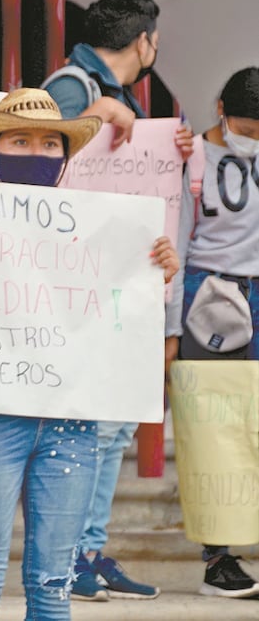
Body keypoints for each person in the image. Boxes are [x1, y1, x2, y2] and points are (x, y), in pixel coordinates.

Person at [0, 88, 179, 620]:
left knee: (53, 582)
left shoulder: (98, 229)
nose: (37, 152)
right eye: (21, 140)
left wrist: (154, 268)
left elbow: (115, 307)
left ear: (65, 158)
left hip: (72, 422)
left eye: (50, 144)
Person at [42, 0, 191, 602]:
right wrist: (93, 116)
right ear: (144, 41)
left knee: (114, 430)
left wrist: (173, 154)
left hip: (122, 288)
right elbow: (35, 156)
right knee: (93, 432)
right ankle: (69, 555)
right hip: (82, 292)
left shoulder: (119, 96)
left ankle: (88, 551)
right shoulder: (73, 87)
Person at [167, 66, 259, 598]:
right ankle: (219, 559)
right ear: (221, 109)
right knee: (214, 427)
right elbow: (176, 244)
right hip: (210, 297)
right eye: (247, 128)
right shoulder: (192, 158)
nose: (253, 139)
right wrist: (170, 327)